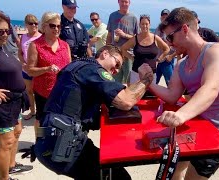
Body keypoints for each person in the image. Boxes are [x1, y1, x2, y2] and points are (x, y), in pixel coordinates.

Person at [33, 45, 154, 180]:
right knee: (119, 177)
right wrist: (147, 79)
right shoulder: (92, 70)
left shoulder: (78, 66)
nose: (116, 70)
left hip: (50, 140)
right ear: (105, 54)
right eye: (117, 63)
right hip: (62, 144)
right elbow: (126, 101)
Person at [147, 7, 219, 180]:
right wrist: (148, 82)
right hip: (193, 123)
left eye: (171, 37)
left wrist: (180, 116)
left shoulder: (216, 52)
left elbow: (210, 89)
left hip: (217, 130)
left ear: (185, 29)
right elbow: (173, 95)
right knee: (172, 173)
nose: (169, 43)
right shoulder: (181, 64)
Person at [0, 9, 33, 180]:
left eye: (7, 31)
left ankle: (11, 166)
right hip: (2, 107)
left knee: (16, 134)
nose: (4, 35)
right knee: (5, 143)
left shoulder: (2, 48)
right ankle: (4, 179)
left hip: (15, 102)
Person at [26, 12, 71, 138]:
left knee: (60, 120)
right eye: (52, 26)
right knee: (42, 121)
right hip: (43, 91)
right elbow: (30, 70)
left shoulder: (65, 45)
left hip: (62, 92)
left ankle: (55, 143)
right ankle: (40, 143)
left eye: (59, 26)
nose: (56, 29)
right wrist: (47, 69)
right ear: (44, 27)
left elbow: (70, 67)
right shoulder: (35, 45)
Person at [121, 14, 170, 84]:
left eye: (146, 24)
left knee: (150, 94)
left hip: (152, 74)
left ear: (149, 24)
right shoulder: (135, 39)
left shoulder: (155, 38)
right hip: (136, 73)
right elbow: (123, 49)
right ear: (139, 25)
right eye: (142, 24)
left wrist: (159, 59)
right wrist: (131, 57)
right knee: (135, 94)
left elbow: (167, 49)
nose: (144, 26)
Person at [106, 0, 139, 84]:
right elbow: (109, 35)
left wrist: (124, 35)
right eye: (122, 1)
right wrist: (107, 50)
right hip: (115, 54)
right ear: (118, 2)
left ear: (129, 3)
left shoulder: (134, 18)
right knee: (115, 80)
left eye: (126, 2)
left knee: (129, 81)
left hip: (128, 54)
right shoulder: (112, 16)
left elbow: (138, 38)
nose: (124, 4)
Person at [18, 14, 42, 120]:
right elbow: (20, 53)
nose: (34, 25)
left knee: (39, 91)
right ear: (26, 24)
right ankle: (32, 111)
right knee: (29, 91)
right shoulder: (23, 37)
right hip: (26, 70)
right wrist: (23, 63)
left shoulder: (41, 37)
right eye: (31, 23)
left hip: (38, 70)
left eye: (36, 23)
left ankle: (41, 112)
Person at [155, 9, 177, 86]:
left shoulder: (173, 29)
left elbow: (177, 46)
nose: (165, 18)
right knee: (154, 81)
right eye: (163, 17)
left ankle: (173, 97)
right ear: (161, 18)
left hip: (167, 60)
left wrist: (171, 56)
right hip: (158, 60)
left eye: (166, 17)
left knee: (170, 82)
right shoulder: (158, 28)